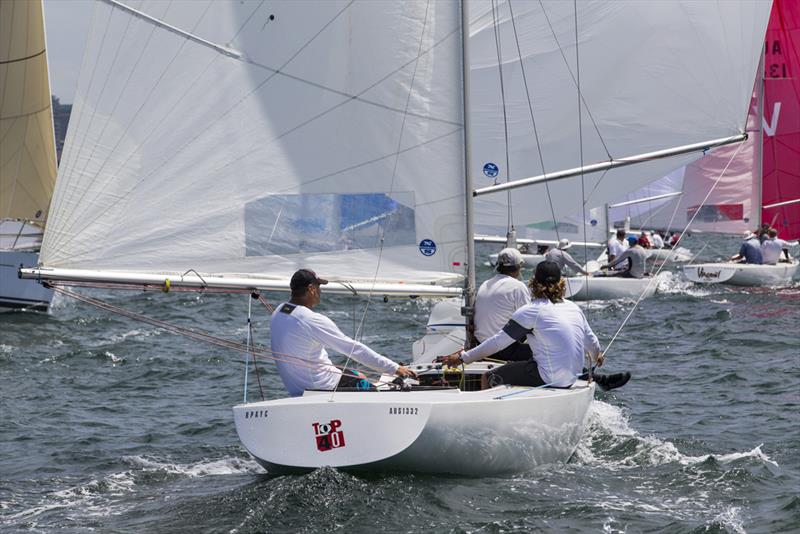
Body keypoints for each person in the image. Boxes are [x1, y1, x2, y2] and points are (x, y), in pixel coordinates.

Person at [440, 261, 629, 390]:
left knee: (488, 377)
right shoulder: (573, 308)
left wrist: (463, 358)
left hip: (550, 379)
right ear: (562, 283)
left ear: (533, 283)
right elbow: (592, 342)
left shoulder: (531, 311)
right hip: (572, 378)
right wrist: (597, 357)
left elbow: (498, 342)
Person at [271, 269, 416, 396]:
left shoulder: (279, 311)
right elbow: (354, 349)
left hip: (297, 388)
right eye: (318, 286)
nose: (320, 291)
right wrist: (395, 368)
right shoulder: (311, 319)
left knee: (357, 374)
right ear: (311, 289)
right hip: (323, 388)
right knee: (368, 387)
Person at [473, 248, 532, 361]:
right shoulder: (518, 287)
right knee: (547, 350)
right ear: (518, 267)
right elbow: (529, 320)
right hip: (502, 350)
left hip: (480, 346)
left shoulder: (485, 284)